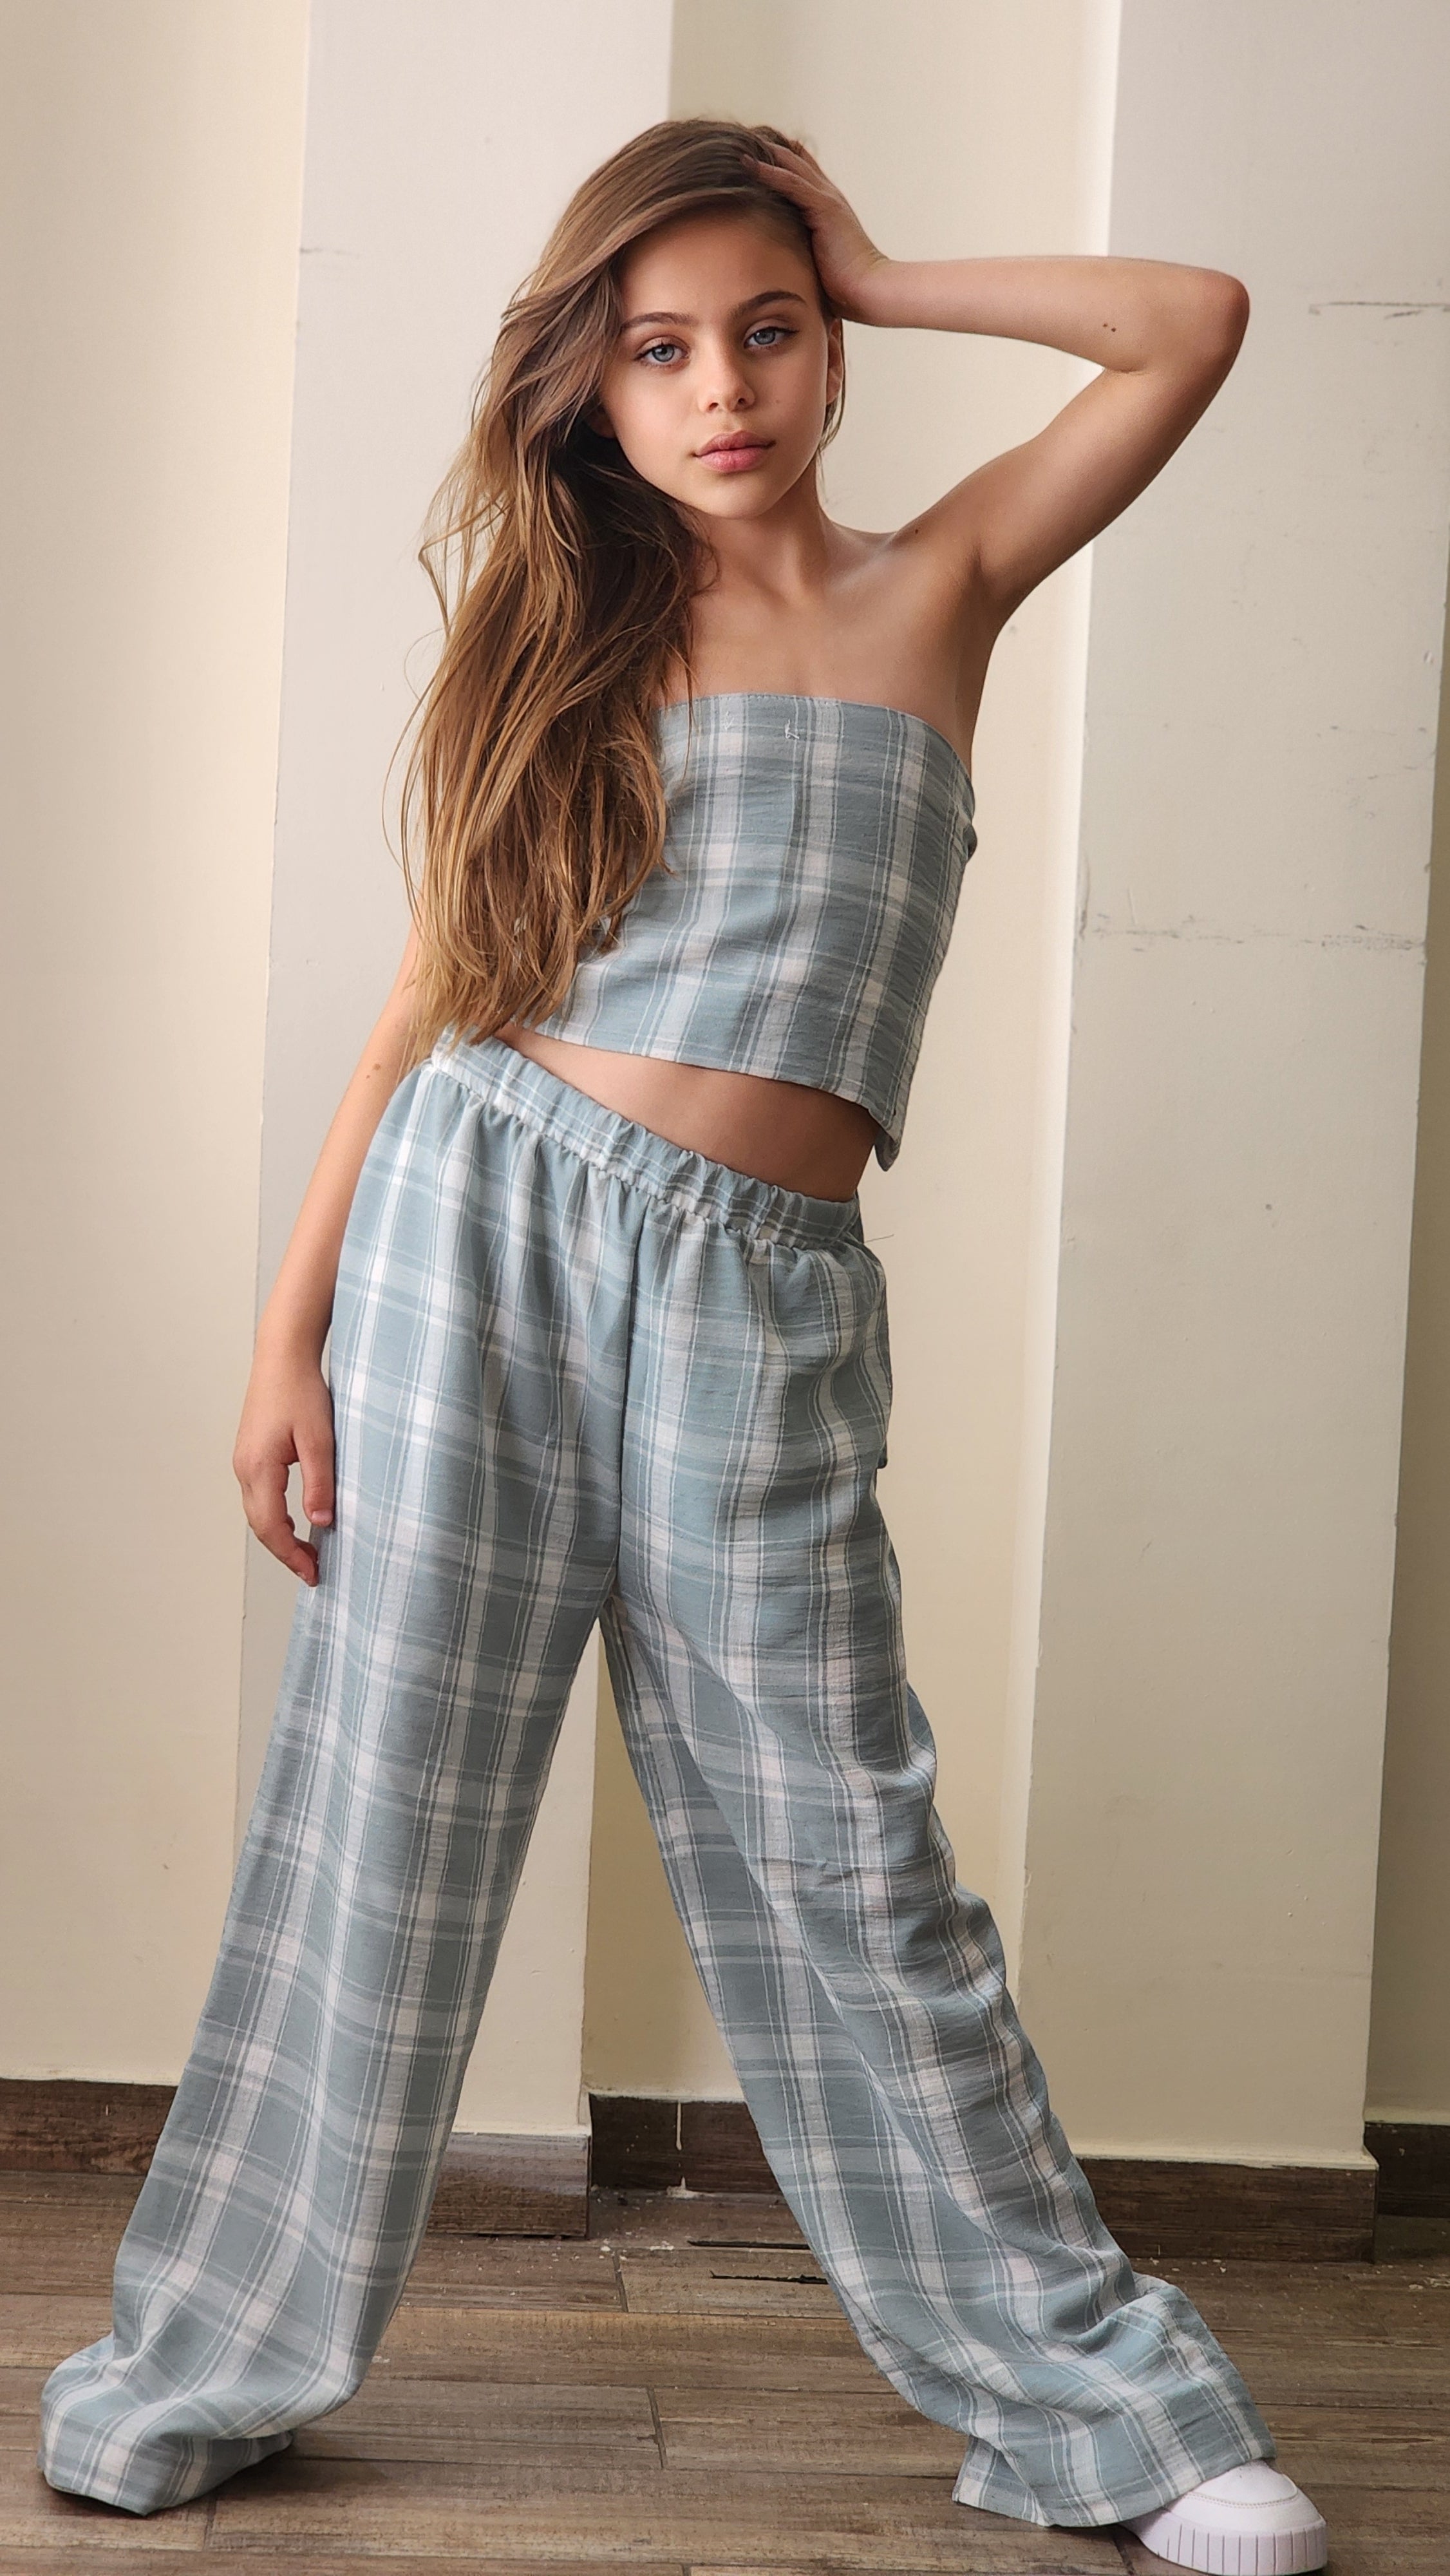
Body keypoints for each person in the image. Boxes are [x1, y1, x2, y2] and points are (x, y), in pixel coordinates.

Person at [37, 118, 1326, 2574]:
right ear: (591, 390)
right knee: (384, 1809)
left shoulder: (942, 582)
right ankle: (202, 2358)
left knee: (851, 1851)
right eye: (656, 349)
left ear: (827, 349)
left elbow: (1191, 323)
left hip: (763, 1282)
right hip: (486, 1218)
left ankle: (1109, 2416)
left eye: (766, 331)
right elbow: (436, 994)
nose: (720, 388)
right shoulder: (571, 644)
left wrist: (885, 263)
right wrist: (287, 1332)